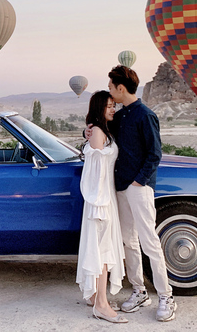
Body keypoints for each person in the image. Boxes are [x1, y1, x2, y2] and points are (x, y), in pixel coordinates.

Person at [106, 65, 176, 322]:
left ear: (121, 88)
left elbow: (155, 154)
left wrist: (139, 182)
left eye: (111, 87)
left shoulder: (145, 115)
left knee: (149, 242)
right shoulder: (121, 115)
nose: (110, 91)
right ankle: (139, 290)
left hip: (139, 188)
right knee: (129, 242)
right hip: (121, 188)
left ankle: (166, 296)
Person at [77, 91, 127, 324]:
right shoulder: (97, 131)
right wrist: (98, 203)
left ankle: (98, 296)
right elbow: (94, 172)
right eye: (108, 106)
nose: (112, 109)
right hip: (101, 201)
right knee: (103, 251)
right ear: (99, 108)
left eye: (113, 105)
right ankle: (100, 305)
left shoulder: (101, 131)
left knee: (102, 250)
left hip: (105, 198)